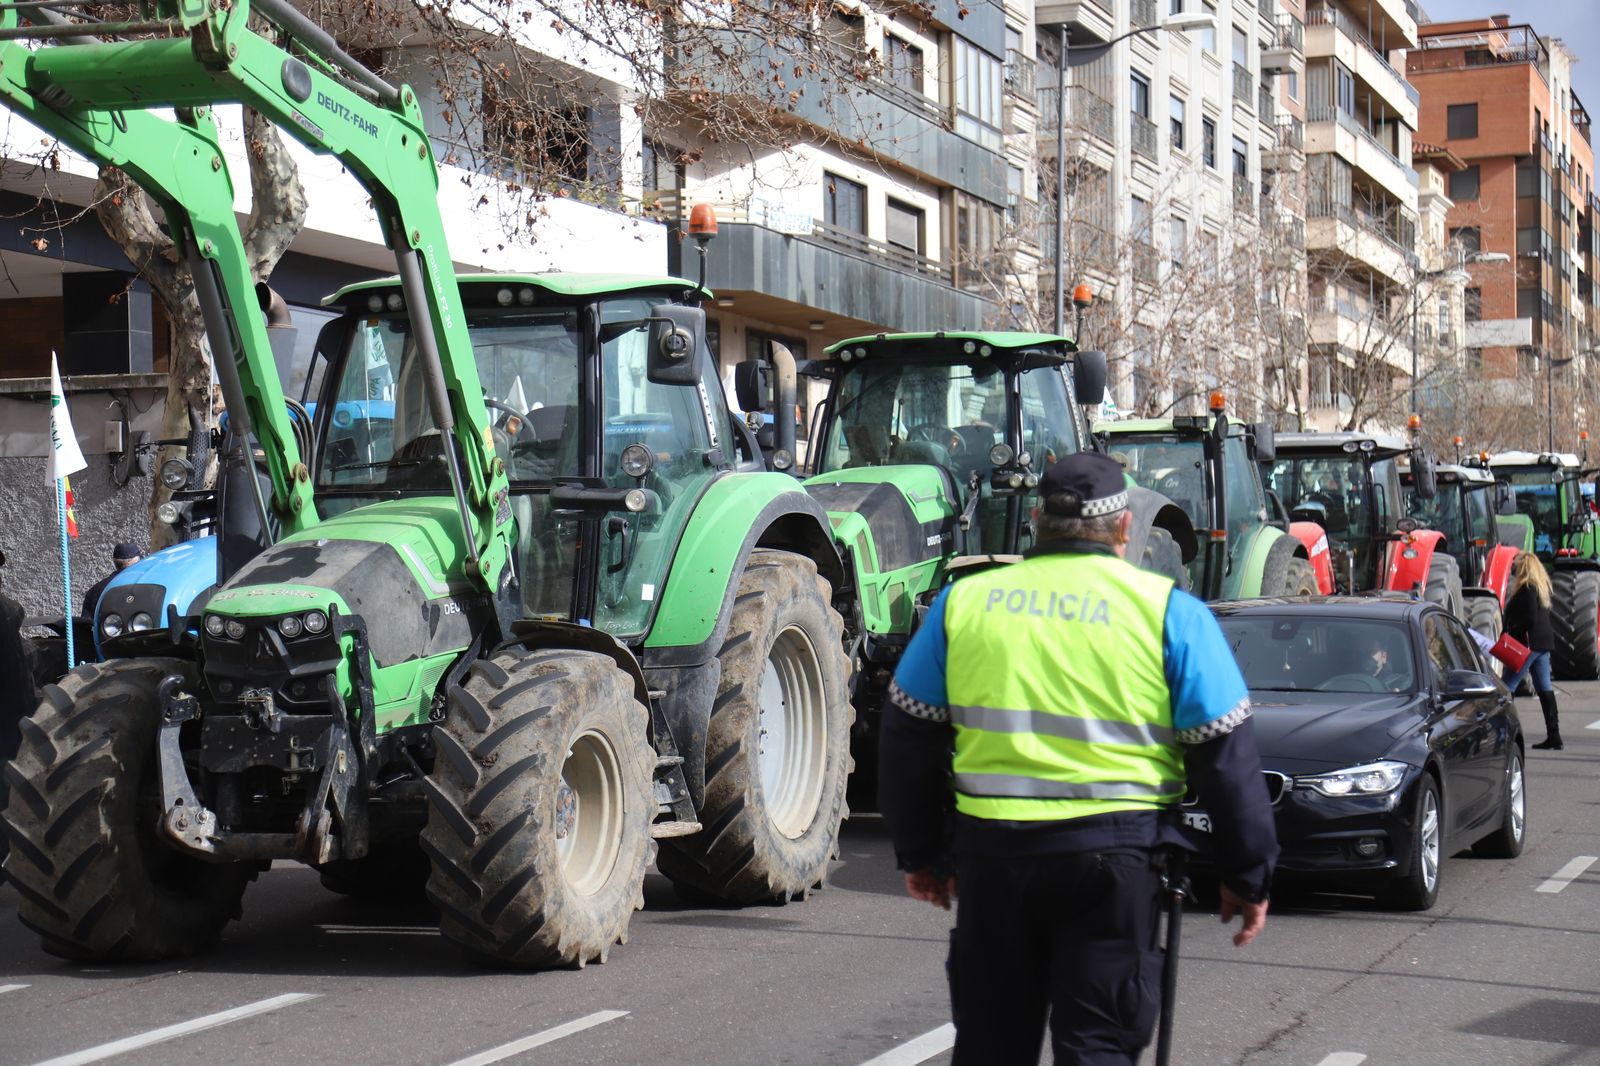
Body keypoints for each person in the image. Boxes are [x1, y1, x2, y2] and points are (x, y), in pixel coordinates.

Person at [879, 451, 1279, 1066]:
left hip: (995, 859)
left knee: (990, 1048)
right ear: (1124, 528)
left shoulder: (964, 605)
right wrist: (1246, 874)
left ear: (1036, 519)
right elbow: (1225, 759)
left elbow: (909, 738)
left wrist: (923, 854)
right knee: (1097, 1049)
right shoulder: (1172, 613)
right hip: (1115, 865)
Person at [1502, 551, 1560, 750]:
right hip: (1543, 644)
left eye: (1517, 567)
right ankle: (1554, 736)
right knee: (1545, 688)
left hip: (1527, 645)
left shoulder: (1527, 589)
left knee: (1506, 687)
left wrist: (1512, 630)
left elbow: (1530, 619)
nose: (1514, 570)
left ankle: (1503, 735)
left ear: (1524, 568)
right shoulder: (1541, 588)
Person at [81, 542, 143, 619]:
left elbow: (87, 624)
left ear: (114, 561)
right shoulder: (147, 585)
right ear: (137, 561)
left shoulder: (95, 590)